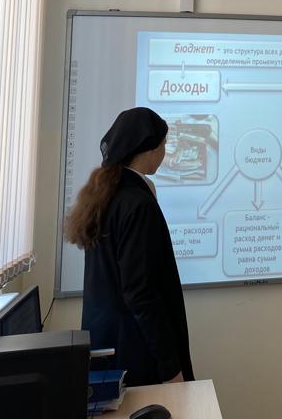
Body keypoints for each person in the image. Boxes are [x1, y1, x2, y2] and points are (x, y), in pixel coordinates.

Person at [65, 106, 194, 386]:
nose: (165, 152)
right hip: (137, 354)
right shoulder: (137, 204)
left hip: (111, 346)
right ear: (150, 149)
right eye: (164, 145)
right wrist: (171, 367)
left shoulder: (108, 195)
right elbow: (141, 293)